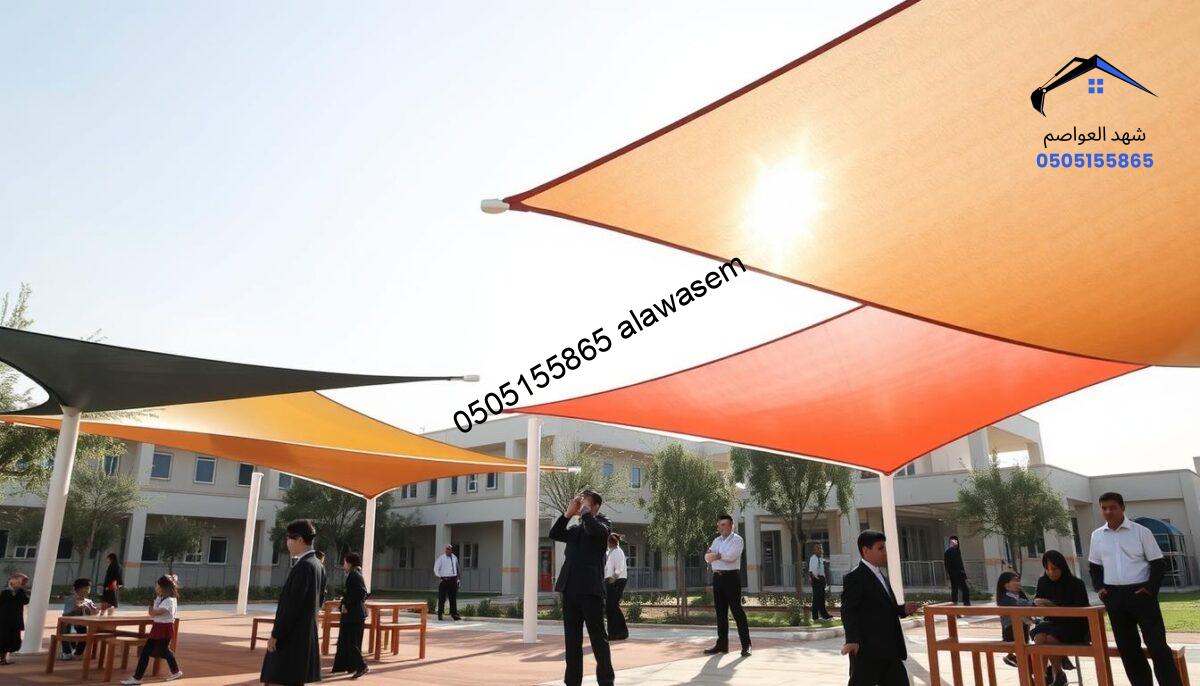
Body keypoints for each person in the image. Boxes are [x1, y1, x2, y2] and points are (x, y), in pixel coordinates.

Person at [1088, 491, 1182, 686]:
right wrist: (1101, 589)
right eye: (1104, 508)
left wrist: (1149, 590)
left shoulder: (1141, 532)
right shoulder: (1097, 536)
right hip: (1114, 597)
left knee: (1157, 647)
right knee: (1128, 649)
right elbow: (1094, 567)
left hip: (1141, 596)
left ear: (1123, 508)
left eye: (1113, 507)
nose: (1108, 512)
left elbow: (1158, 564)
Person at [549, 489, 614, 686]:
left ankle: (606, 681)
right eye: (581, 501)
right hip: (569, 589)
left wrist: (585, 513)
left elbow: (595, 531)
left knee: (598, 638)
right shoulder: (576, 529)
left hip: (590, 590)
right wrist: (568, 514)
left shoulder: (603, 524)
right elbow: (554, 534)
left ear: (596, 506)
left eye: (586, 501)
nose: (582, 504)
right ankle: (572, 682)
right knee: (572, 640)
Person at [840, 530, 918, 686]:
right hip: (868, 652)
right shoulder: (855, 578)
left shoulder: (881, 575)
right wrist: (852, 639)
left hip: (890, 650)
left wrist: (902, 609)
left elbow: (884, 606)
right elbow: (848, 610)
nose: (885, 552)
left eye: (885, 548)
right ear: (866, 550)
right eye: (880, 548)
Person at [261, 519, 325, 686]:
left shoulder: (304, 566)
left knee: (278, 679)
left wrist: (276, 635)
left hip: (291, 638)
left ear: (299, 539)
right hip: (304, 636)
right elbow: (319, 601)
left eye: (289, 538)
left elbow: (291, 606)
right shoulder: (318, 565)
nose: (287, 542)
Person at [1030, 550, 1090, 686]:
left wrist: (1051, 605)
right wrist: (1037, 603)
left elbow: (1079, 609)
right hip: (1053, 623)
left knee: (1050, 639)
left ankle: (1058, 673)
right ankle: (1041, 677)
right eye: (1047, 569)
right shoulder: (1043, 582)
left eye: (1054, 569)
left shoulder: (1076, 584)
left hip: (1075, 625)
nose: (1051, 572)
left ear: (1062, 567)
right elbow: (1036, 602)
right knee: (1039, 636)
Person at [703, 513, 752, 657]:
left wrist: (716, 555)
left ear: (731, 526)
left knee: (737, 611)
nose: (721, 527)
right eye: (719, 525)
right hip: (717, 578)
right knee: (720, 612)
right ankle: (722, 644)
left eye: (724, 524)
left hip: (731, 578)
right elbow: (707, 558)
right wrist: (717, 555)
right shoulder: (716, 540)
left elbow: (731, 556)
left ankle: (746, 645)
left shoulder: (737, 540)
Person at [121, 575, 182, 684]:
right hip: (159, 627)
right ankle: (176, 671)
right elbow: (154, 612)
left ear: (163, 587)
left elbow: (154, 612)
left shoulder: (169, 601)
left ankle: (137, 678)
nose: (156, 588)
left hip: (163, 628)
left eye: (158, 586)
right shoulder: (163, 599)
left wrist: (152, 607)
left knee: (149, 652)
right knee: (162, 651)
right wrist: (156, 599)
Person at [331, 552, 369, 679]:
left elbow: (362, 593)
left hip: (354, 615)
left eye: (345, 562)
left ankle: (362, 666)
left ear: (350, 563)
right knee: (346, 641)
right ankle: (349, 666)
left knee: (351, 642)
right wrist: (344, 601)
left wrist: (346, 603)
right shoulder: (354, 574)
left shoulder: (355, 575)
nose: (344, 565)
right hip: (353, 615)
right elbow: (353, 593)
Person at [995, 571, 1032, 668]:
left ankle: (1012, 656)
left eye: (1019, 581)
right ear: (1006, 585)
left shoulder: (1020, 596)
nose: (1018, 583)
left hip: (1022, 633)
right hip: (1011, 633)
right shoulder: (1006, 599)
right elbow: (1023, 605)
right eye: (1015, 581)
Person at [60, 577, 98, 660]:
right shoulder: (70, 600)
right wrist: (77, 609)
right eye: (86, 588)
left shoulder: (88, 601)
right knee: (66, 629)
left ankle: (78, 652)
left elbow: (94, 612)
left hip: (81, 624)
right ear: (78, 589)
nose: (88, 590)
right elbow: (66, 614)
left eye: (88, 588)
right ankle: (66, 652)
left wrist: (92, 609)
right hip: (69, 623)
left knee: (84, 631)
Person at [0, 573, 30, 666]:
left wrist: (19, 591)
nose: (24, 584)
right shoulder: (4, 592)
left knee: (12, 640)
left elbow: (26, 601)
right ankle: (2, 659)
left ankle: (4, 659)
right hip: (3, 620)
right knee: (3, 639)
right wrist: (12, 591)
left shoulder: (21, 592)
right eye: (22, 582)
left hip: (15, 620)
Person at [604, 532, 628, 641]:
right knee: (610, 607)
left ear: (611, 542)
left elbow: (620, 566)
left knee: (613, 606)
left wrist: (614, 576)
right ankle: (612, 633)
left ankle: (622, 632)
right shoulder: (610, 552)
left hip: (617, 580)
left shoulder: (618, 552)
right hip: (610, 580)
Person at [433, 544, 461, 621]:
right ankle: (440, 614)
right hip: (444, 580)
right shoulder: (441, 558)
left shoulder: (454, 557)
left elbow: (457, 569)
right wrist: (440, 577)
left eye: (450, 549)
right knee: (442, 598)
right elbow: (436, 568)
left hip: (453, 580)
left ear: (451, 550)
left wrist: (458, 579)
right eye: (447, 549)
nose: (448, 550)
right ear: (445, 550)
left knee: (453, 598)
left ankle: (454, 614)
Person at [943, 535, 970, 606]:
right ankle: (962, 604)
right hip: (956, 574)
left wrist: (964, 575)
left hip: (957, 574)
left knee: (957, 589)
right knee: (962, 589)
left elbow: (959, 564)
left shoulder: (956, 551)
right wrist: (951, 574)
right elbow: (949, 564)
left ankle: (958, 603)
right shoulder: (950, 552)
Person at [809, 543, 833, 621]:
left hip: (821, 579)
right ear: (815, 550)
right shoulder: (813, 558)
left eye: (820, 548)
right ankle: (815, 616)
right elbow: (813, 570)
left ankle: (824, 615)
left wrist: (824, 580)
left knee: (821, 598)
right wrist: (817, 579)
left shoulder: (820, 558)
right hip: (816, 579)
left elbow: (822, 569)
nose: (820, 550)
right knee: (816, 598)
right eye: (818, 548)